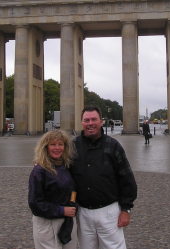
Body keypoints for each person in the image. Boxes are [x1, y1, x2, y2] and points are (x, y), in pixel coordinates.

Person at [71, 106, 137, 249]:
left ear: (101, 122)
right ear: (81, 123)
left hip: (109, 212)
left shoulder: (113, 146)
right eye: (86, 120)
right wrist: (41, 163)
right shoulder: (73, 146)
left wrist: (126, 210)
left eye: (94, 119)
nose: (90, 123)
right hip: (83, 212)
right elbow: (60, 169)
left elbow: (127, 179)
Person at [28, 130, 77, 249]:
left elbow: (73, 189)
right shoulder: (39, 171)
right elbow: (34, 203)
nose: (57, 148)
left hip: (67, 221)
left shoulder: (66, 165)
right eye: (53, 144)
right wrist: (62, 210)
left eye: (60, 144)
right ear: (45, 147)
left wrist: (73, 203)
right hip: (47, 224)